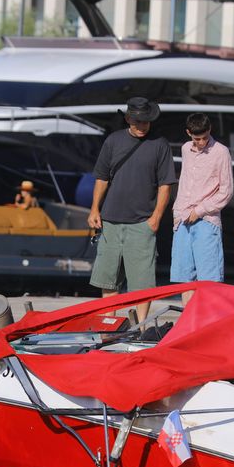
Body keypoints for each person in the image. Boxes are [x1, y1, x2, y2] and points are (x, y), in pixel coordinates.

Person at [87, 96, 176, 322]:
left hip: (142, 222)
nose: (142, 126)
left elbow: (166, 185)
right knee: (108, 279)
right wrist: (94, 209)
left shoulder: (160, 144)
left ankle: (141, 327)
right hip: (110, 220)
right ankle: (109, 324)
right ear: (128, 119)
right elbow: (101, 178)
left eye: (146, 122)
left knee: (142, 282)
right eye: (138, 122)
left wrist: (156, 218)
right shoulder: (113, 141)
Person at [170, 113, 234, 302]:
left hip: (206, 219)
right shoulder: (185, 148)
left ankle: (207, 318)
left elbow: (226, 191)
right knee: (185, 278)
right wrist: (178, 211)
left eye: (205, 137)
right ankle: (189, 317)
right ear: (188, 133)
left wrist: (199, 211)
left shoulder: (221, 152)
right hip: (182, 218)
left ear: (210, 130)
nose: (201, 142)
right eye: (197, 139)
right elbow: (185, 181)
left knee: (209, 278)